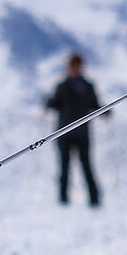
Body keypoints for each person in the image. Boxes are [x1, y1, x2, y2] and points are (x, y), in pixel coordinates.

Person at [45, 53, 102, 207]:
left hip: (82, 133)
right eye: (72, 66)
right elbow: (55, 104)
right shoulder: (62, 86)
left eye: (77, 65)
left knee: (86, 166)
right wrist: (48, 103)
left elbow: (94, 105)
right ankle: (63, 200)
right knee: (64, 167)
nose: (75, 68)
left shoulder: (88, 86)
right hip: (64, 133)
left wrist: (104, 110)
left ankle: (94, 200)